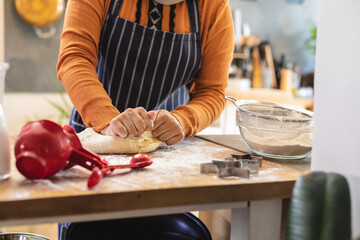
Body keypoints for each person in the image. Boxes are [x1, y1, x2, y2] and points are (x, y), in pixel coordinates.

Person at [57, 0, 234, 146]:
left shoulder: (214, 7)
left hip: (169, 148)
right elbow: (75, 58)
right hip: (97, 139)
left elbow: (212, 93)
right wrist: (107, 120)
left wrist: (182, 120)